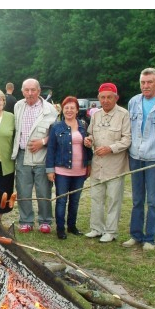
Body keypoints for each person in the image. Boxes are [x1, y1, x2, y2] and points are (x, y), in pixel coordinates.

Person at [122, 68, 155, 251]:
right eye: (143, 82)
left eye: (149, 82)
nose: (146, 86)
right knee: (137, 199)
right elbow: (128, 131)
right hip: (135, 157)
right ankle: (135, 235)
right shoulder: (133, 102)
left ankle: (149, 238)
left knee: (152, 200)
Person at [83, 82, 130, 243]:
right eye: (102, 97)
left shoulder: (124, 115)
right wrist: (88, 141)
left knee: (113, 199)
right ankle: (96, 228)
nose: (106, 100)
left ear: (116, 98)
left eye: (109, 97)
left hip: (115, 165)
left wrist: (110, 148)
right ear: (98, 98)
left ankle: (111, 231)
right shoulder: (95, 115)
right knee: (96, 197)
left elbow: (127, 139)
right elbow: (91, 134)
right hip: (98, 165)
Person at [11, 78, 58, 233]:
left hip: (42, 156)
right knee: (23, 190)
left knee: (43, 190)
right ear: (22, 91)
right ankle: (26, 220)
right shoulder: (18, 106)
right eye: (26, 90)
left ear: (39, 91)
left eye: (33, 90)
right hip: (22, 155)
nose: (30, 93)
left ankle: (45, 221)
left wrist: (43, 141)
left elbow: (58, 134)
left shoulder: (50, 109)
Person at [46, 97, 92, 239]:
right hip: (62, 170)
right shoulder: (56, 127)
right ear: (62, 110)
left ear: (77, 110)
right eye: (66, 108)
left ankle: (72, 226)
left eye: (72, 108)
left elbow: (88, 147)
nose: (69, 110)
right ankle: (60, 228)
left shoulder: (83, 126)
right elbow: (51, 149)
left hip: (80, 170)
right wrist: (50, 169)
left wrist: (88, 163)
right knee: (61, 200)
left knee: (75, 200)